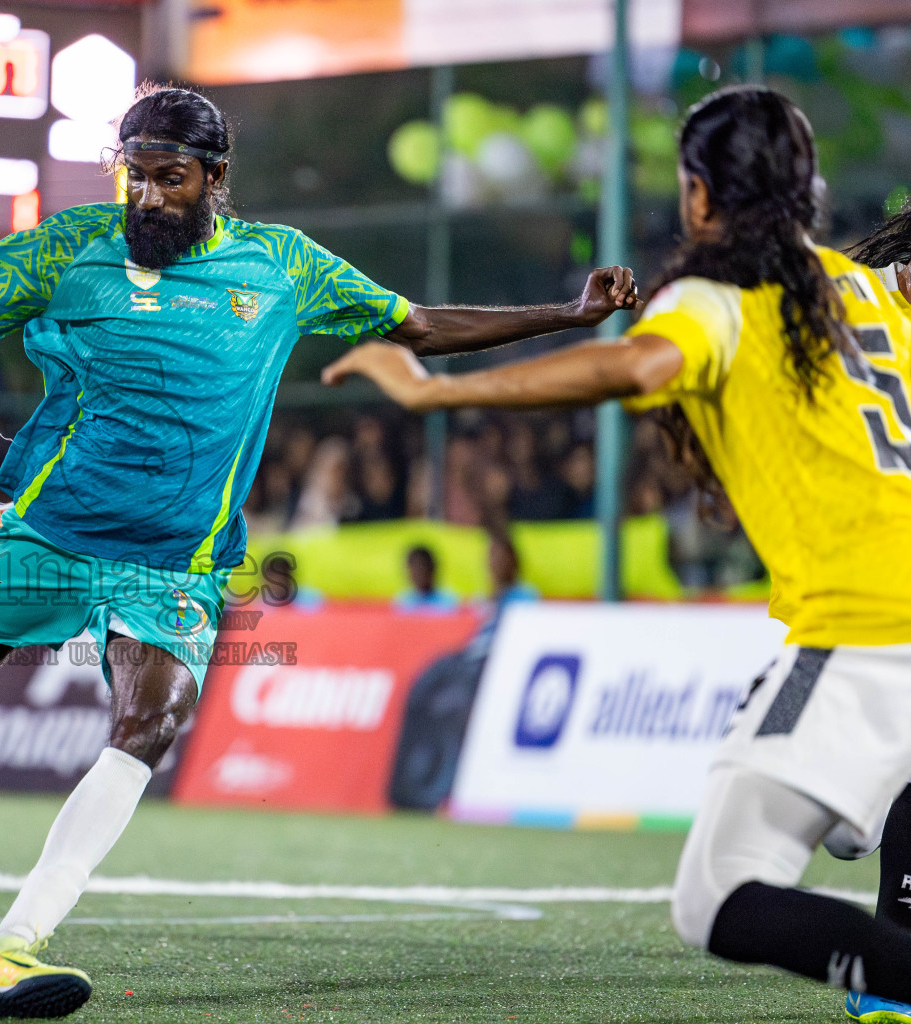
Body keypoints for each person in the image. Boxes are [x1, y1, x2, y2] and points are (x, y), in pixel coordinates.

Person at [0, 85, 638, 1019]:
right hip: (46, 537)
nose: (149, 194)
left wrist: (569, 315)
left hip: (176, 567)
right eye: (136, 173)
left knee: (150, 723)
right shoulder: (61, 253)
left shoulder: (283, 267)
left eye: (171, 176)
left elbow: (418, 324)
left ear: (214, 177)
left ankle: (12, 946)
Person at [324, 85, 911, 1020]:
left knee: (716, 898)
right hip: (883, 637)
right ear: (810, 190)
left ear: (698, 197)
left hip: (869, 633)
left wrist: (433, 395)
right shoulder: (873, 290)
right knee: (850, 817)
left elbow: (638, 365)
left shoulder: (727, 299)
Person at [395, 544, 459, 612]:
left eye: (422, 568)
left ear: (432, 568)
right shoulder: (402, 601)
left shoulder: (450, 600)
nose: (418, 574)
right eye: (414, 569)